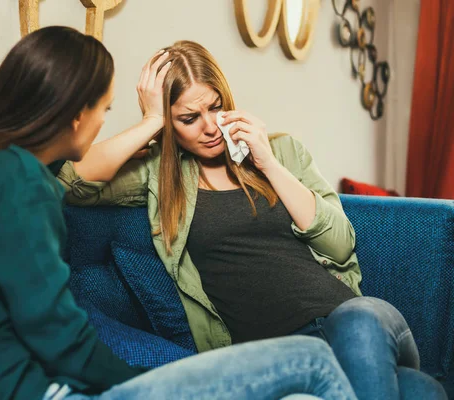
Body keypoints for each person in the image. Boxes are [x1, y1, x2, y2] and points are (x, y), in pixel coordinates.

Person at [0, 27, 358, 400]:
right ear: (76, 116)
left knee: (387, 369)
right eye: (105, 110)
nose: (106, 121)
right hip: (35, 388)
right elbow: (59, 333)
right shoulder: (21, 182)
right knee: (314, 363)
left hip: (10, 380)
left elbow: (40, 325)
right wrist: (137, 383)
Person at [57, 40, 447, 400]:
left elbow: (341, 242)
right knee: (419, 390)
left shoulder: (282, 150)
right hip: (282, 354)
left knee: (358, 324)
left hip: (356, 321)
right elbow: (72, 180)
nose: (210, 126)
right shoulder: (162, 175)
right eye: (189, 118)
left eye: (215, 107)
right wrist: (150, 121)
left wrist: (269, 164)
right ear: (169, 125)